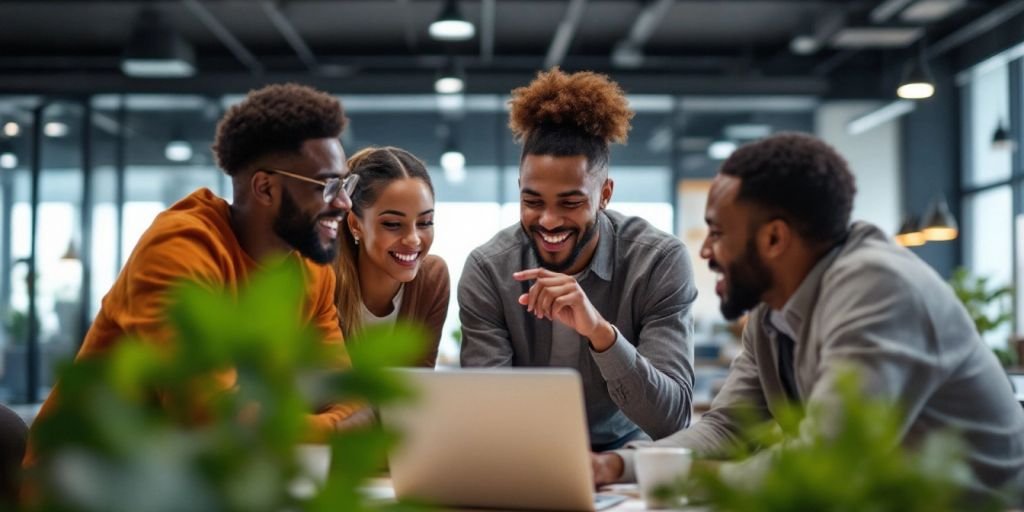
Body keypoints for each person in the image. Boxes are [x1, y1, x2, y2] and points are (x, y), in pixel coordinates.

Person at [592, 132, 1024, 502]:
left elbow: (831, 455)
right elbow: (728, 428)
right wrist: (619, 464)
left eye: (718, 233)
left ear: (774, 238)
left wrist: (681, 478)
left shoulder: (879, 288)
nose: (705, 252)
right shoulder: (771, 310)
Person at [27, 83, 366, 457]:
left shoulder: (311, 272)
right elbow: (211, 420)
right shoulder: (179, 249)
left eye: (346, 183)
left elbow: (347, 398)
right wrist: (333, 429)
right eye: (329, 185)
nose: (346, 202)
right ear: (266, 188)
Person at [458, 68, 698, 451]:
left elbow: (672, 419)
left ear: (605, 194)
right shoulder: (490, 269)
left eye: (571, 203)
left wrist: (601, 333)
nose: (549, 221)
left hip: (620, 465)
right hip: (521, 457)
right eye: (532, 202)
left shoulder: (658, 262)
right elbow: (487, 410)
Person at [334, 146, 449, 367]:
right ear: (355, 224)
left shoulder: (432, 279)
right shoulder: (324, 279)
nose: (414, 239)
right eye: (393, 224)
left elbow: (421, 384)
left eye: (425, 222)